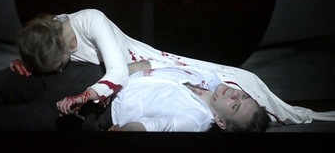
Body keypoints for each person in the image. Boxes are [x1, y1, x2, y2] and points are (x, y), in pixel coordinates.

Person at [0, 9, 335, 130]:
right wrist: (32, 65)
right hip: (84, 84)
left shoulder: (196, 116)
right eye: (239, 94)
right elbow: (139, 68)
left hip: (96, 99)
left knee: (5, 121)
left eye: (237, 103)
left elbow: (126, 86)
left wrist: (86, 100)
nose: (235, 93)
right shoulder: (204, 83)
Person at [86, 63, 270, 132]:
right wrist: (118, 73)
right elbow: (157, 64)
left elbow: (154, 127)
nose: (235, 94)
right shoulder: (210, 79)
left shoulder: (195, 120)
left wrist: (126, 131)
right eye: (243, 96)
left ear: (221, 121)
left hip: (100, 110)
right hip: (108, 77)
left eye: (235, 106)